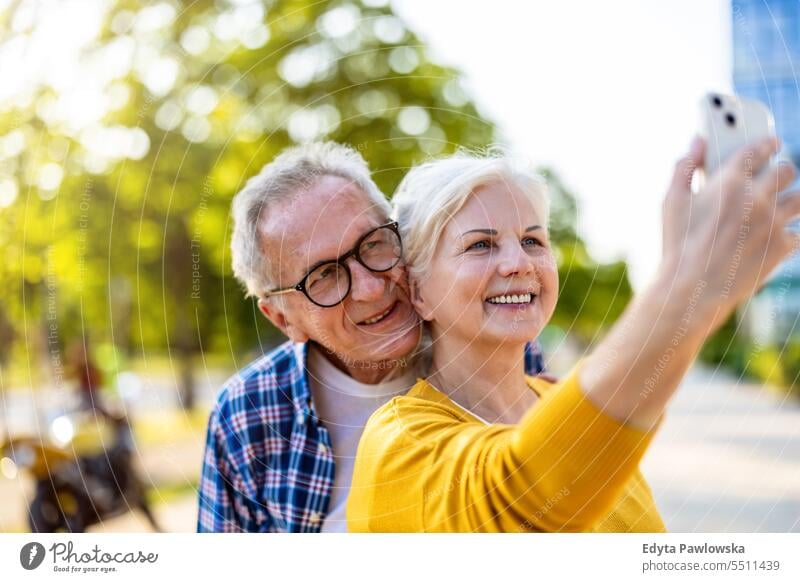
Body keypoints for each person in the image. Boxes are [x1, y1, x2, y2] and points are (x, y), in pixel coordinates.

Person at [347, 136, 800, 532]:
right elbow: (521, 502)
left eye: (532, 240)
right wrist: (688, 287)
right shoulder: (397, 441)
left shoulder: (558, 401)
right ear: (418, 291)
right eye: (480, 244)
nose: (519, 263)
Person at [197, 142, 546, 532]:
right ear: (282, 318)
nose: (369, 288)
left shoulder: (495, 343)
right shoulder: (249, 414)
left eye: (373, 243)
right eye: (324, 275)